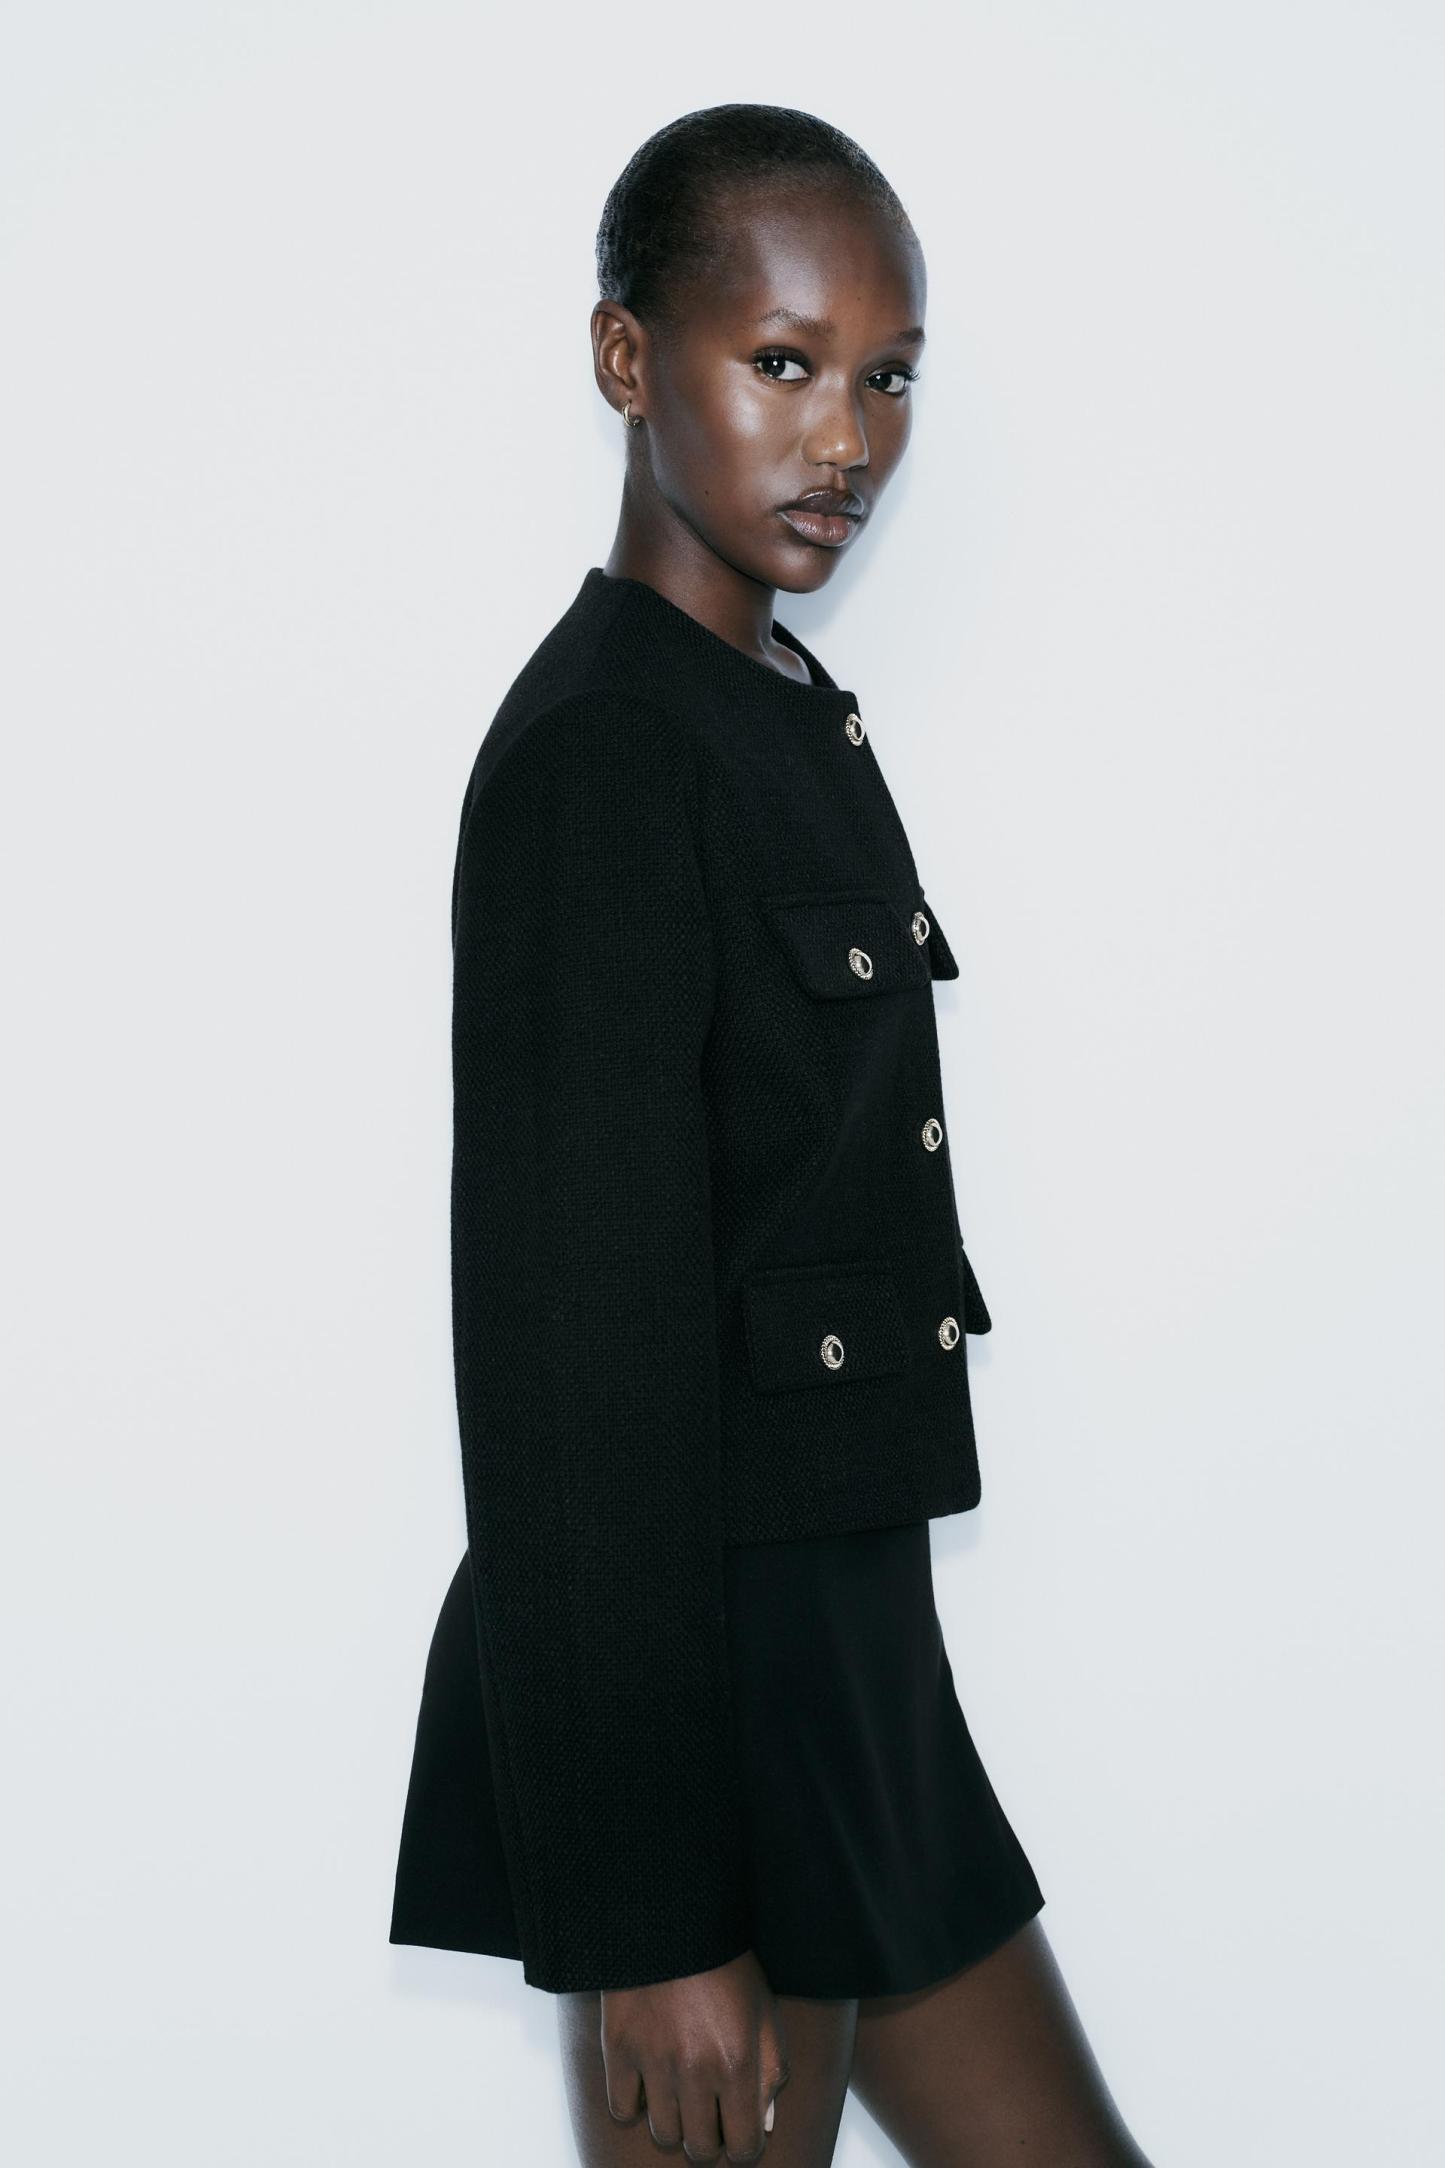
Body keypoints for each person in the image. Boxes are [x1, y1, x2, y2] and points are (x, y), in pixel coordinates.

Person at [389, 103, 1159, 2168]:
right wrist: (653, 1918)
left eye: (888, 376)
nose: (846, 438)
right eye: (786, 362)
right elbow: (569, 1370)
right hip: (696, 1706)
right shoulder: (606, 752)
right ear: (627, 358)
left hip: (847, 1673)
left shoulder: (774, 713)